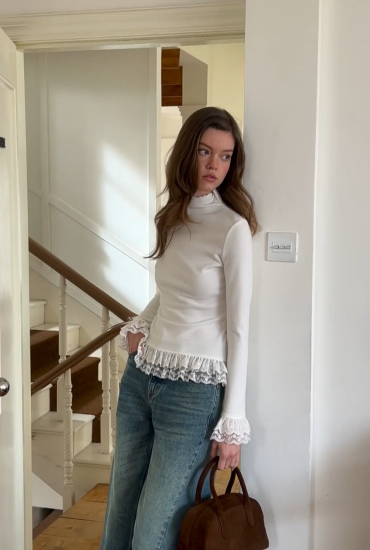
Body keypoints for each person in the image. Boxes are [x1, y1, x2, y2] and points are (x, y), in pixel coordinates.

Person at [100, 107, 259, 550]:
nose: (214, 165)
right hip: (141, 379)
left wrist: (232, 422)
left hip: (193, 396)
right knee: (119, 513)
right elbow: (170, 291)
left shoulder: (232, 228)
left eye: (225, 156)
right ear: (187, 152)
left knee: (152, 532)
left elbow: (239, 328)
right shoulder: (171, 216)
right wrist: (140, 325)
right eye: (205, 152)